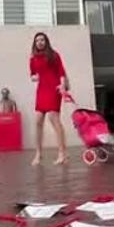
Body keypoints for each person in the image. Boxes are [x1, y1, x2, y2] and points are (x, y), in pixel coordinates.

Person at [29, 32, 68, 166]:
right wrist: (35, 77)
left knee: (53, 118)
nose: (39, 42)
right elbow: (32, 75)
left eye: (42, 40)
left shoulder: (54, 55)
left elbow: (61, 72)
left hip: (54, 88)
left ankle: (62, 153)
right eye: (37, 40)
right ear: (35, 43)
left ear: (46, 41)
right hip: (42, 90)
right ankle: (38, 153)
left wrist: (62, 85)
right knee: (38, 121)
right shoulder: (33, 58)